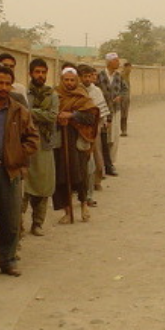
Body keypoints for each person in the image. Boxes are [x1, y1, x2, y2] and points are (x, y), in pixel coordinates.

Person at [0, 65, 39, 276]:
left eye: (7, 83)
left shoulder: (20, 110)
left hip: (10, 173)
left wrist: (17, 155)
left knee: (10, 219)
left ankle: (8, 260)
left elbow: (33, 139)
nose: (3, 87)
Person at [53, 66, 100, 224]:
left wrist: (72, 115)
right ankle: (67, 210)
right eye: (66, 79)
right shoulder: (54, 95)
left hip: (77, 140)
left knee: (80, 174)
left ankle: (84, 205)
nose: (69, 83)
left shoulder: (82, 96)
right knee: (60, 176)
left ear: (77, 80)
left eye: (72, 80)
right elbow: (50, 113)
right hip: (60, 141)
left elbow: (91, 116)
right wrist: (58, 117)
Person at [23, 58, 59, 237]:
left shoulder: (52, 95)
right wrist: (38, 114)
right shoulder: (23, 94)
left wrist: (32, 113)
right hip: (27, 145)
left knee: (43, 187)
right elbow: (22, 114)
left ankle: (38, 223)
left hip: (45, 144)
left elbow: (52, 116)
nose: (41, 75)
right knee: (24, 187)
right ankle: (19, 223)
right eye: (37, 72)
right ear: (30, 73)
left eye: (43, 72)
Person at [78, 64, 110, 207]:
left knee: (93, 160)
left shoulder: (96, 91)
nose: (87, 79)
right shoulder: (75, 91)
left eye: (89, 76)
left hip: (92, 131)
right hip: (76, 131)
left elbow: (99, 113)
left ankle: (90, 192)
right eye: (84, 76)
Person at [97, 52, 126, 176]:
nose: (118, 63)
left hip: (115, 110)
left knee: (114, 137)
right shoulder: (100, 76)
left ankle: (111, 163)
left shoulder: (119, 76)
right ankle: (103, 163)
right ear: (109, 62)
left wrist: (120, 96)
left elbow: (125, 89)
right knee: (104, 137)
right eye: (116, 61)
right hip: (103, 110)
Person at [120, 60, 133, 136]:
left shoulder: (127, 76)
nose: (130, 70)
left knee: (125, 114)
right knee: (122, 114)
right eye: (129, 68)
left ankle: (124, 130)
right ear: (125, 68)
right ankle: (122, 130)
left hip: (126, 98)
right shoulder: (121, 76)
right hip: (122, 98)